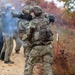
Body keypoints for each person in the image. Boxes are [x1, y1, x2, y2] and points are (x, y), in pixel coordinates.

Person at [23, 6, 54, 75]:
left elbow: (28, 35)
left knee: (29, 64)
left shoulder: (33, 22)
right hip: (48, 47)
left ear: (34, 13)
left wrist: (23, 38)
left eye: (31, 13)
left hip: (38, 48)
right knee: (48, 67)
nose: (30, 15)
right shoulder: (47, 20)